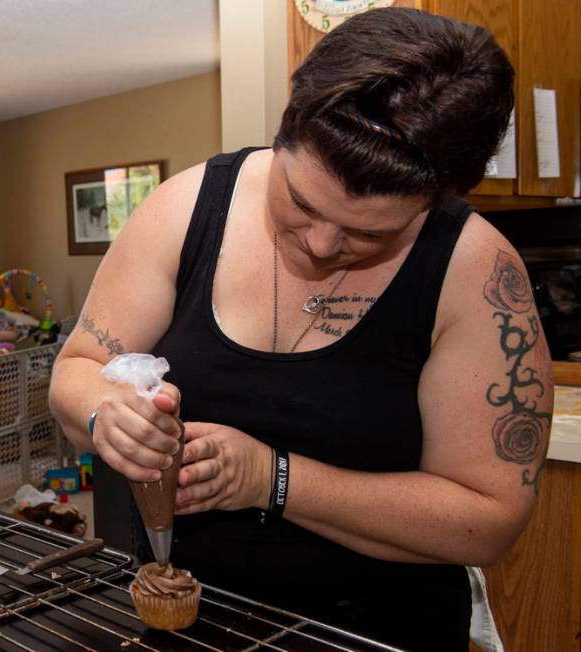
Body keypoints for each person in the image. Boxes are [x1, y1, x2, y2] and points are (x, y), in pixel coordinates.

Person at [49, 7, 553, 650]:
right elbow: (77, 369)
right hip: (185, 622)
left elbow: (490, 524)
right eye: (301, 201)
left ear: (436, 201)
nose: (318, 244)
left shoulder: (477, 272)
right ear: (283, 133)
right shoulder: (185, 207)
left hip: (377, 634)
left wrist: (270, 478)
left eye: (369, 233)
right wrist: (104, 414)